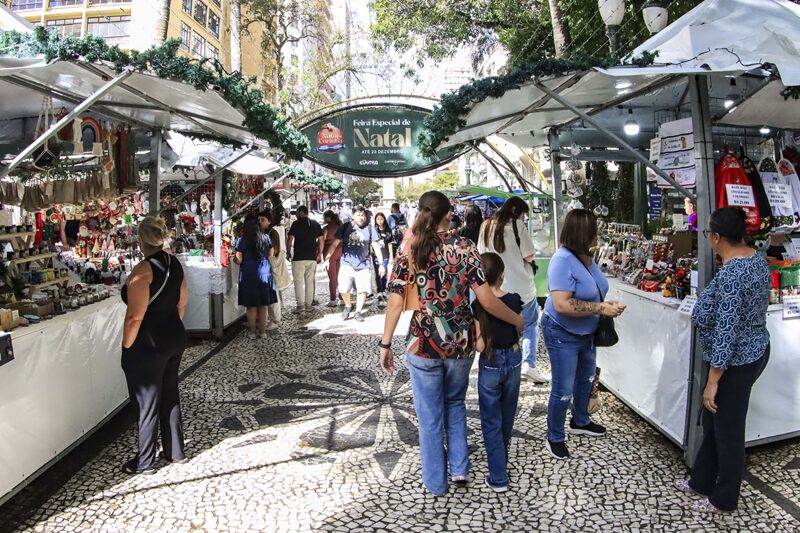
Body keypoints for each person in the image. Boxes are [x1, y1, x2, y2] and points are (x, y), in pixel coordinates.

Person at [378, 191, 524, 497]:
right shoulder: (465, 247)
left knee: (430, 416)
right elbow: (485, 299)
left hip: (423, 344)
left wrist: (386, 343)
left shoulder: (409, 249)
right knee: (455, 403)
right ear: (449, 214)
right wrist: (515, 319)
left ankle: (436, 483)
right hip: (460, 344)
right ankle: (459, 469)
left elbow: (394, 304)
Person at [677, 207, 771, 513]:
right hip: (753, 349)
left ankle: (724, 498)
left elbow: (727, 331)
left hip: (736, 359)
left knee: (728, 430)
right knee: (717, 422)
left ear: (716, 237)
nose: (707, 238)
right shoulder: (755, 257)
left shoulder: (732, 274)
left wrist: (713, 381)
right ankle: (700, 480)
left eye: (706, 233)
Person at [542, 209, 626, 460]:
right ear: (582, 233)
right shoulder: (562, 260)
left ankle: (580, 420)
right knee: (563, 387)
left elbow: (592, 290)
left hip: (586, 331)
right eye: (593, 230)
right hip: (562, 332)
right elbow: (562, 304)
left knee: (586, 378)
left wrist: (604, 303)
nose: (597, 234)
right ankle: (554, 435)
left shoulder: (586, 257)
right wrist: (601, 308)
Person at [121, 217, 189, 474]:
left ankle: (146, 461)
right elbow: (182, 303)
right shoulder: (175, 264)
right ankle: (175, 450)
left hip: (149, 344)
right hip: (174, 337)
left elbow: (134, 317)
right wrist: (170, 327)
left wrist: (128, 346)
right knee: (170, 394)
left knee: (146, 401)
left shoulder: (142, 272)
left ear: (141, 241)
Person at [479, 196, 549, 383]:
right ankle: (528, 365)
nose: (524, 218)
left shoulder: (485, 225)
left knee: (497, 325)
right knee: (530, 324)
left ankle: (496, 364)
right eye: (523, 214)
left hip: (494, 287)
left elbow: (481, 254)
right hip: (521, 287)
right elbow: (529, 255)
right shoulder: (518, 226)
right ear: (515, 211)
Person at [473, 252, 524, 493]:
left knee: (490, 420)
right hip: (513, 361)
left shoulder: (477, 306)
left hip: (491, 363)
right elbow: (520, 328)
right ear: (502, 276)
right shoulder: (514, 300)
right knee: (507, 416)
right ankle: (501, 463)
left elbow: (480, 345)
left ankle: (498, 476)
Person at [324, 207, 384, 322]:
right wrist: (327, 258)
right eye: (358, 215)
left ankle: (358, 311)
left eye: (363, 215)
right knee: (343, 289)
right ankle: (348, 305)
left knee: (362, 289)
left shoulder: (370, 229)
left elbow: (375, 246)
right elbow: (334, 244)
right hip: (347, 263)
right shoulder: (345, 227)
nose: (361, 218)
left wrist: (381, 264)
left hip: (364, 264)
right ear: (353, 216)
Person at [235, 215, 279, 337]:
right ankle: (263, 332)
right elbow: (270, 253)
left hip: (249, 273)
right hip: (264, 272)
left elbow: (238, 260)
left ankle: (252, 332)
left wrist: (235, 257)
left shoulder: (242, 240)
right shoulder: (265, 237)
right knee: (263, 305)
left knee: (251, 306)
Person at [287, 206, 324, 313]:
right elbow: (321, 240)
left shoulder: (295, 224)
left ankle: (300, 306)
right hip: (311, 257)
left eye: (297, 213)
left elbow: (290, 240)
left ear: (300, 213)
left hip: (298, 257)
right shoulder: (315, 224)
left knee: (298, 282)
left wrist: (289, 252)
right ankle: (309, 305)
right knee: (310, 282)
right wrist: (320, 253)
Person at [259, 209, 286, 328]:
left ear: (269, 221)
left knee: (273, 293)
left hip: (270, 266)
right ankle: (272, 318)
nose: (260, 222)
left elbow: (274, 250)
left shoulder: (272, 233)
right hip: (265, 266)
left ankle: (276, 319)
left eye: (263, 220)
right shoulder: (262, 232)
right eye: (259, 219)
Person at [322, 210, 343, 307]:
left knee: (332, 278)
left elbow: (322, 242)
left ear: (328, 218)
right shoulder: (340, 226)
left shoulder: (326, 228)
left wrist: (319, 253)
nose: (323, 219)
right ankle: (342, 298)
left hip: (330, 253)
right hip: (341, 252)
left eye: (324, 217)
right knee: (340, 276)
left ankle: (333, 299)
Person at [373, 212, 393, 302]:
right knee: (377, 273)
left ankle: (384, 289)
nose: (380, 221)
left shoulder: (388, 230)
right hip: (376, 256)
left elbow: (390, 244)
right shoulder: (374, 231)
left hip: (385, 255)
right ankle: (379, 291)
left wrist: (391, 256)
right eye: (378, 219)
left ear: (384, 219)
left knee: (384, 272)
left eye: (381, 219)